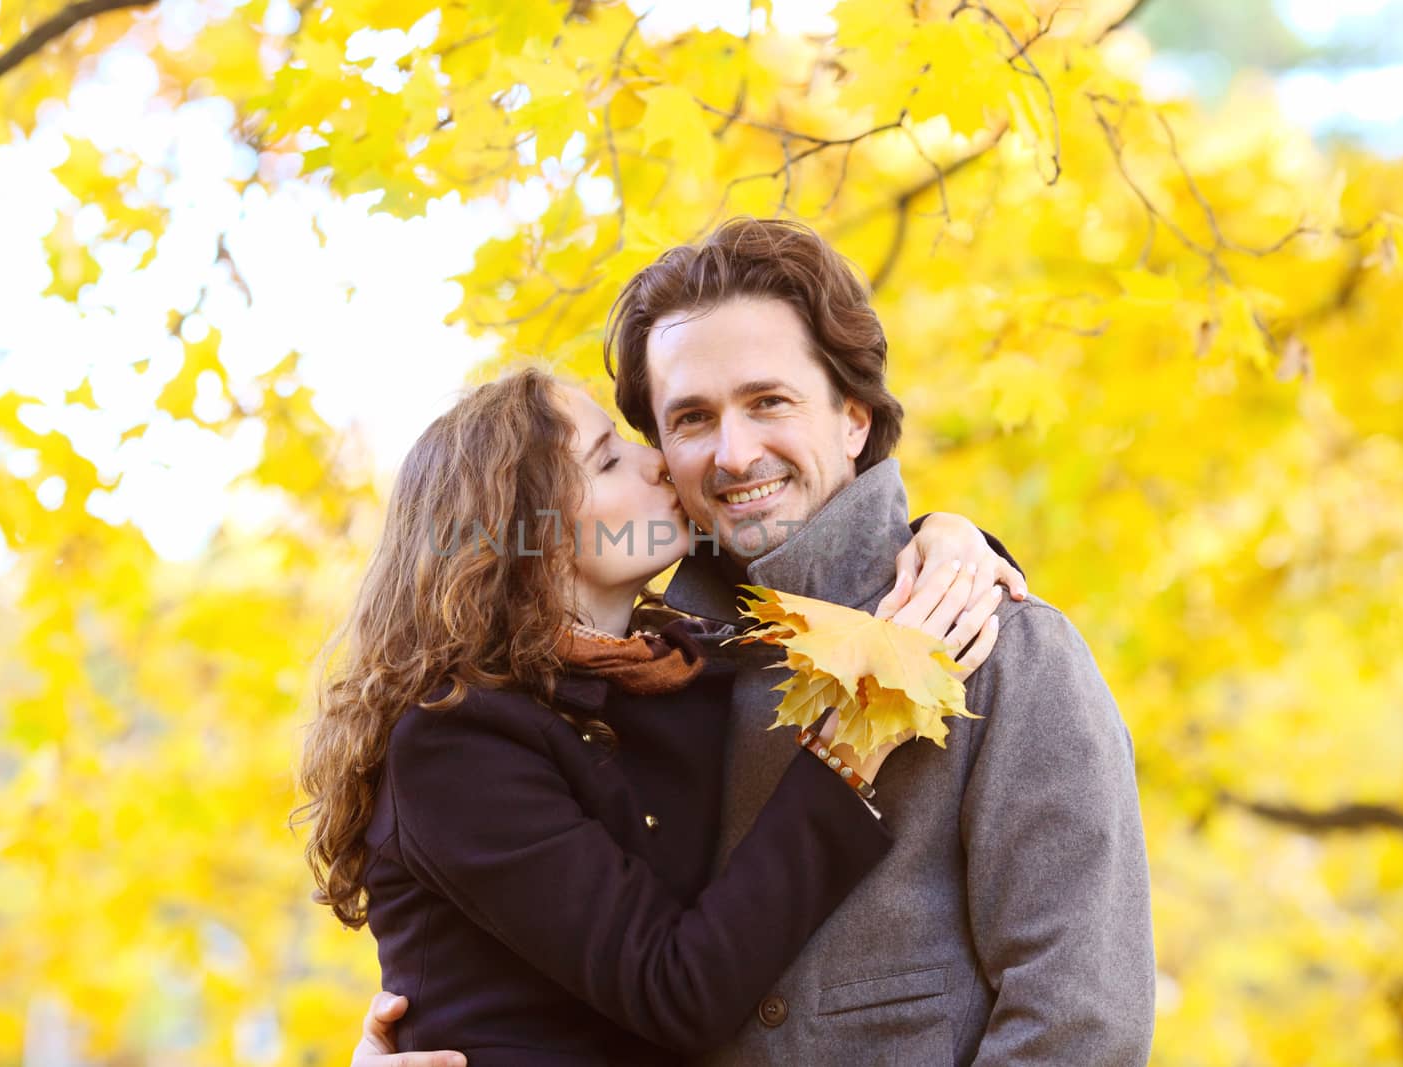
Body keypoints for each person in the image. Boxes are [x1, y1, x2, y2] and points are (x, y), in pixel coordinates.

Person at [350, 217, 1155, 1066]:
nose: (733, 453)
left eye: (769, 400)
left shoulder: (1001, 652)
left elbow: (1079, 1029)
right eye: (690, 419)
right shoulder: (651, 687)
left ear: (853, 417)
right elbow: (564, 972)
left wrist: (956, 540)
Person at [298, 365, 1025, 1065]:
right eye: (608, 459)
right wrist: (850, 747)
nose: (656, 463)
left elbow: (825, 564)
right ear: (528, 540)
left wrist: (947, 541)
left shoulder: (666, 672)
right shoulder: (455, 743)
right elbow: (677, 989)